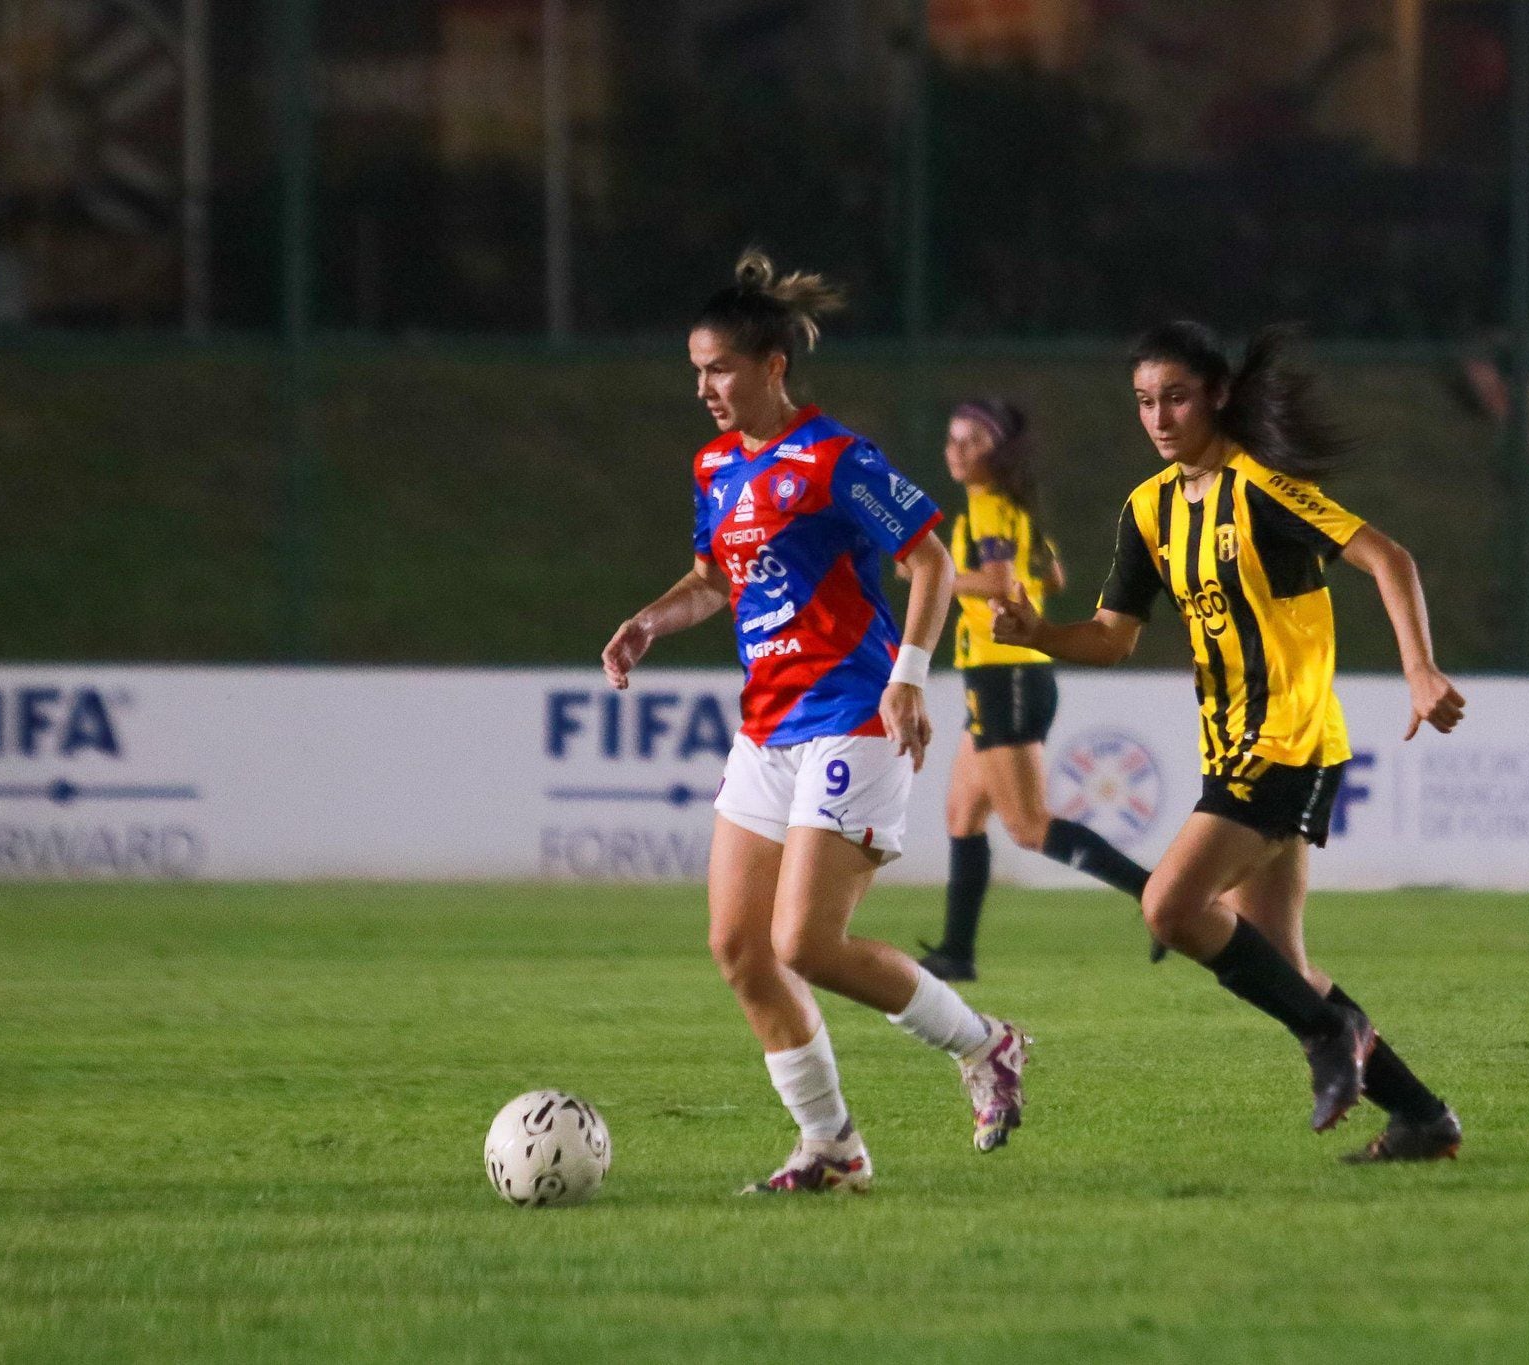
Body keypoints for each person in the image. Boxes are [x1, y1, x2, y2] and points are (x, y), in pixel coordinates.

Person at [601, 250, 1030, 1194]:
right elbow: (717, 578)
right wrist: (650, 620)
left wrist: (910, 679)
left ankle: (988, 1044)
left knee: (805, 942)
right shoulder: (714, 465)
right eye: (696, 371)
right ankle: (831, 1145)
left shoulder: (838, 459)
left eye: (719, 368)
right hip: (768, 728)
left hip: (853, 715)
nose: (706, 388)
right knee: (740, 948)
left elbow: (931, 560)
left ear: (773, 366)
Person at [991, 322, 1465, 1161]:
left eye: (1175, 395)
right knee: (1281, 964)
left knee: (1170, 906)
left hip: (1293, 742)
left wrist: (1420, 670)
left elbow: (1388, 557)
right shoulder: (1151, 509)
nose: (1160, 416)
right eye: (1144, 400)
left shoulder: (1265, 488)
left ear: (1214, 393)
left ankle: (1333, 1032)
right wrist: (1036, 631)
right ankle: (1421, 1116)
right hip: (1233, 748)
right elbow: (1112, 636)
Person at [911, 398, 1157, 983]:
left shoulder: (993, 509)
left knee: (1028, 826)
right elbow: (1052, 574)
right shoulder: (1010, 506)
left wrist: (932, 571)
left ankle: (1159, 897)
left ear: (998, 451)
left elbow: (1000, 581)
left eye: (972, 440)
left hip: (1006, 674)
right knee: (962, 813)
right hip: (1001, 676)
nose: (957, 449)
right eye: (953, 438)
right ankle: (956, 953)